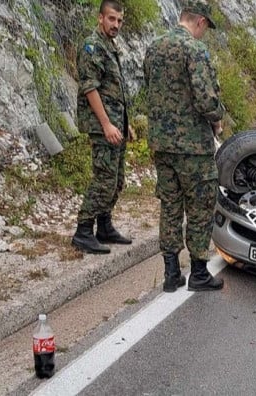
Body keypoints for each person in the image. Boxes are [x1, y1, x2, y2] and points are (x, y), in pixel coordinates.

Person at [143, 0, 225, 292]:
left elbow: (149, 91)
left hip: (162, 146)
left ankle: (171, 273)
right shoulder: (194, 49)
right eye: (206, 28)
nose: (204, 34)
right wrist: (217, 119)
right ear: (200, 21)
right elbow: (205, 98)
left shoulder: (154, 47)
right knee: (200, 206)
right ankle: (199, 272)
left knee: (170, 206)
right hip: (192, 147)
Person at [72, 0, 132, 254]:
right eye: (111, 19)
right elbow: (90, 88)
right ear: (100, 18)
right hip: (102, 125)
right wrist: (106, 124)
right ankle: (83, 231)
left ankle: (104, 226)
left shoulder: (110, 46)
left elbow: (114, 89)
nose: (115, 24)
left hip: (116, 124)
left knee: (117, 179)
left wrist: (125, 123)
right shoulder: (92, 46)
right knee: (104, 178)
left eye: (119, 20)